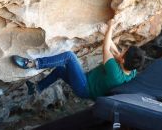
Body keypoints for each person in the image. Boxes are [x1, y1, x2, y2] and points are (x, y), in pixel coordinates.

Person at [11, 20, 145, 100]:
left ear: (122, 60)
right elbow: (115, 52)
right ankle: (37, 88)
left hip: (84, 87)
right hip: (87, 84)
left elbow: (106, 48)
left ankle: (32, 64)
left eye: (124, 52)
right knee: (59, 71)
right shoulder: (131, 71)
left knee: (69, 56)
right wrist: (107, 30)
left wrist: (110, 27)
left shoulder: (115, 74)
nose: (122, 51)